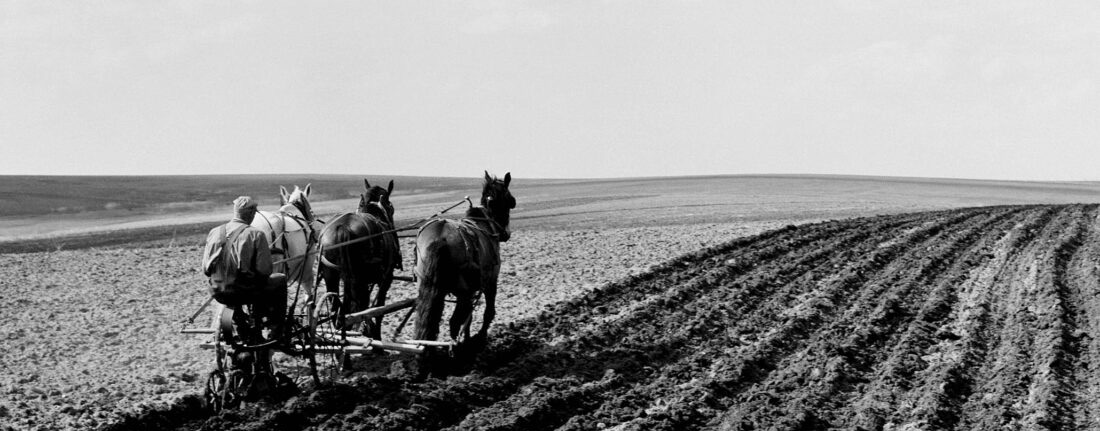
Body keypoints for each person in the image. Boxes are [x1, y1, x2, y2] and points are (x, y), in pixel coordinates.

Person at [202, 196, 288, 341]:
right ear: (251, 213)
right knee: (280, 280)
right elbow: (264, 271)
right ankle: (277, 329)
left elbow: (206, 269)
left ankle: (240, 321)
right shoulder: (256, 234)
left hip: (218, 291)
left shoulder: (214, 232)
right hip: (245, 292)